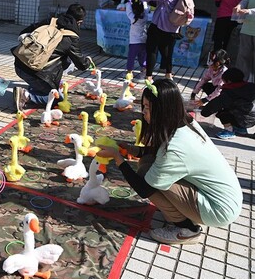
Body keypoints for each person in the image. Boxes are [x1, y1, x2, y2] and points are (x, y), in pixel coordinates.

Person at [96, 79, 242, 245]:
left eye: (148, 108)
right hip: (226, 197)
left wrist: (118, 158)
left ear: (164, 111)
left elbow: (143, 189)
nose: (143, 112)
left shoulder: (174, 148)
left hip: (218, 209)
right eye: (143, 106)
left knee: (147, 175)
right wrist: (130, 149)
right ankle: (184, 211)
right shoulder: (184, 121)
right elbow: (155, 152)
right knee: (148, 163)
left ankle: (188, 230)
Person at [13, 3, 92, 111]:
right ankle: (26, 96)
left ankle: (35, 87)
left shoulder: (50, 21)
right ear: (80, 22)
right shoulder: (71, 37)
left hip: (19, 65)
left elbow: (23, 33)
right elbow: (82, 65)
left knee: (63, 61)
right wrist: (88, 61)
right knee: (57, 98)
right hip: (36, 74)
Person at [127, 0, 189, 81]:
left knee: (152, 49)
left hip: (161, 22)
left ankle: (149, 76)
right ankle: (168, 73)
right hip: (174, 23)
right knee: (167, 50)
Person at [201, 67, 255, 139]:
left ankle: (229, 131)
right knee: (233, 107)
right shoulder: (250, 86)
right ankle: (241, 129)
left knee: (222, 112)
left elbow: (216, 104)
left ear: (229, 81)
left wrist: (204, 112)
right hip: (254, 117)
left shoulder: (230, 92)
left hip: (244, 119)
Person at [125, 0, 149, 82]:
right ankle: (144, 73)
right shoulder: (145, 17)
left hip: (134, 42)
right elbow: (146, 10)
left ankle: (129, 73)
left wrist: (129, 1)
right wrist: (144, 0)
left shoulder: (133, 18)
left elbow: (128, 11)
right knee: (143, 57)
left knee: (131, 57)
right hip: (144, 41)